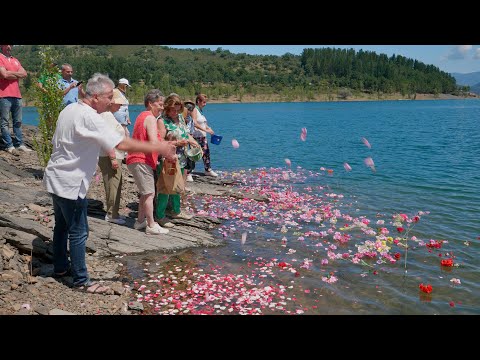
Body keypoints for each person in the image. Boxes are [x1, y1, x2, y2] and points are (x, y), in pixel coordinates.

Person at [43, 73, 176, 288]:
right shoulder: (89, 116)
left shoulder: (69, 109)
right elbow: (121, 144)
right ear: (95, 96)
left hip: (55, 177)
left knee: (61, 226)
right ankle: (81, 280)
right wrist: (158, 147)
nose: (111, 101)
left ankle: (60, 267)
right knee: (79, 232)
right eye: (108, 96)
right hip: (70, 183)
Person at [126, 89, 170, 235]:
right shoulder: (151, 118)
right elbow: (153, 141)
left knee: (145, 193)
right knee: (150, 194)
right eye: (160, 104)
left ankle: (140, 221)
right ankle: (151, 225)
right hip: (141, 159)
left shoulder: (142, 116)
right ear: (150, 104)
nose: (162, 107)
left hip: (136, 159)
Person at [155, 94, 199, 228]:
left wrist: (194, 142)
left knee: (178, 186)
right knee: (166, 187)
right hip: (168, 159)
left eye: (178, 110)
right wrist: (177, 142)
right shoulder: (162, 121)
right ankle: (160, 215)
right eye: (173, 110)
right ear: (167, 108)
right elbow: (159, 141)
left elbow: (186, 134)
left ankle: (176, 211)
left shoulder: (180, 117)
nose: (175, 113)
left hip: (181, 158)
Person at [98, 89, 128, 225]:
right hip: (110, 156)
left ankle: (114, 213)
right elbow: (107, 139)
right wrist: (113, 158)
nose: (120, 106)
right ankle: (111, 214)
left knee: (116, 183)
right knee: (112, 184)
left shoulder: (108, 115)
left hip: (113, 155)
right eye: (118, 104)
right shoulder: (106, 116)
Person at [0, 44, 31, 153]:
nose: (10, 46)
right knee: (4, 122)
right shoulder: (0, 58)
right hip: (4, 95)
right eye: (7, 44)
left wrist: (10, 74)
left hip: (17, 95)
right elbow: (3, 74)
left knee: (18, 121)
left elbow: (25, 73)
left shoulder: (15, 60)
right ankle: (9, 145)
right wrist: (17, 75)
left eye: (11, 45)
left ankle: (19, 144)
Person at [192, 93, 218, 177]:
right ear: (198, 101)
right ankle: (188, 171)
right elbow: (194, 123)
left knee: (206, 153)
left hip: (202, 136)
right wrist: (205, 130)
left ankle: (208, 170)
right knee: (195, 154)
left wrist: (208, 128)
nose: (205, 104)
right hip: (195, 136)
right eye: (203, 102)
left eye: (205, 102)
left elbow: (203, 123)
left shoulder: (200, 110)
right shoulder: (194, 110)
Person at [183, 100, 197, 182]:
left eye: (191, 110)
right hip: (180, 143)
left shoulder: (190, 120)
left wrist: (193, 145)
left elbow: (191, 133)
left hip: (188, 142)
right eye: (188, 110)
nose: (189, 112)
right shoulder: (178, 118)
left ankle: (189, 173)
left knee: (190, 158)